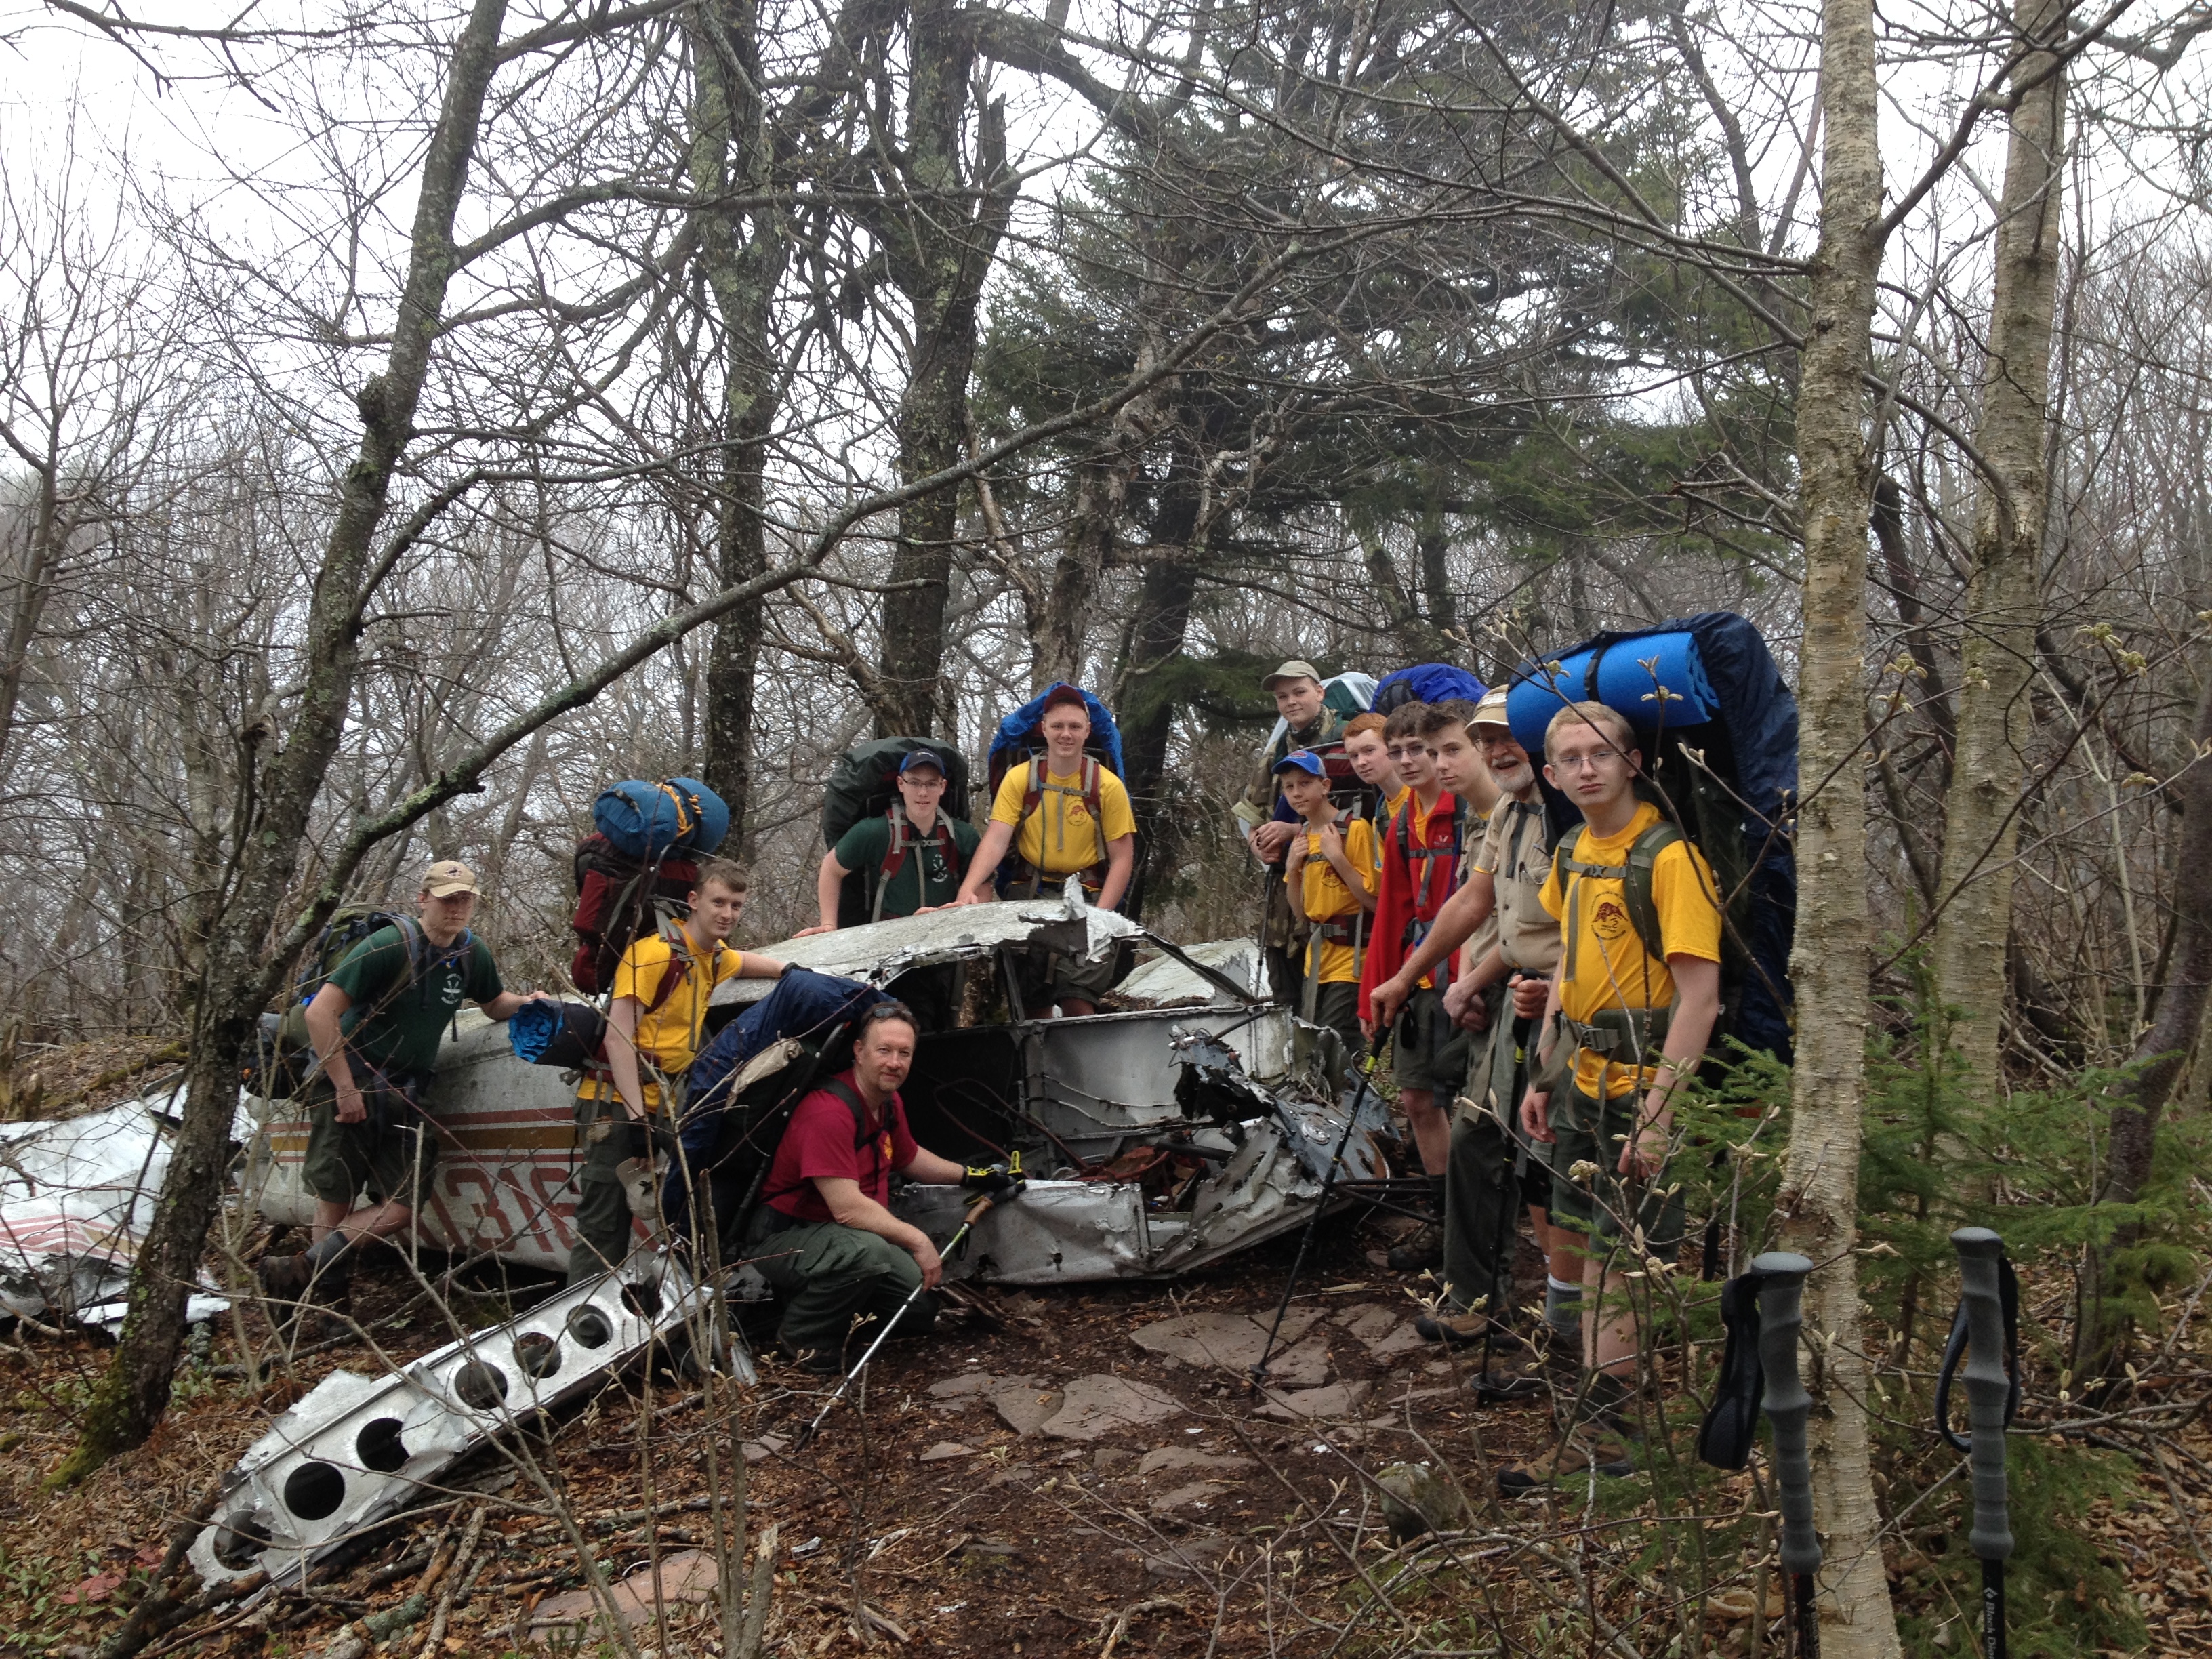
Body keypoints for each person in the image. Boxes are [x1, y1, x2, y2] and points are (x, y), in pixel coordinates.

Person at [1504, 701, 1721, 1492]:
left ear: (1633, 764)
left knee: (1621, 1262)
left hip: (1642, 1088)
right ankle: (1604, 1421)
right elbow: (1569, 963)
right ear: (1551, 773)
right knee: (1591, 1255)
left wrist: (1659, 1119)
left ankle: (1612, 1435)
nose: (1586, 768)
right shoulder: (1570, 850)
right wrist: (1542, 1071)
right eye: (1569, 757)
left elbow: (1700, 997)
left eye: (1601, 753)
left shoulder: (1669, 859)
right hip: (1582, 1086)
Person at [1370, 691, 1579, 1371]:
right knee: (1476, 1139)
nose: (1495, 751)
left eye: (1501, 738)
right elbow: (1475, 901)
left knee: (1551, 1170)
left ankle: (1568, 1328)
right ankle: (1475, 1298)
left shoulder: (1564, 813)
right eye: (1481, 740)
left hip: (1563, 1009)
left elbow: (1576, 928)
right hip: (1507, 997)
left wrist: (1524, 986)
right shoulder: (1509, 816)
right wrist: (1416, 976)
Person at [257, 861, 543, 1311]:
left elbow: (493, 1003)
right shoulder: (389, 946)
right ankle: (329, 1308)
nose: (457, 907)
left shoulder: (470, 953)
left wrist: (527, 1003)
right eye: (448, 898)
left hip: (409, 1092)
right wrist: (346, 1088)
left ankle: (301, 1270)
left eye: (465, 898)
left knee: (403, 1206)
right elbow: (320, 1014)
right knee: (337, 1195)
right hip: (351, 1081)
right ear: (423, 899)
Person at [745, 1002, 1016, 1372]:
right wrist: (917, 1241)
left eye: (904, 1053)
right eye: (884, 1051)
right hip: (786, 1237)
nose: (894, 1063)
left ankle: (834, 1304)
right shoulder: (828, 1112)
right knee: (868, 1254)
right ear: (859, 1052)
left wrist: (975, 1176)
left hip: (844, 1236)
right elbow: (848, 1208)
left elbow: (909, 1159)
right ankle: (803, 1337)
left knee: (918, 1308)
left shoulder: (887, 1102)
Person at [568, 859, 788, 1283]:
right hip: (615, 1108)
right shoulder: (652, 953)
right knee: (604, 1223)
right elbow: (618, 1037)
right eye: (718, 902)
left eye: (736, 906)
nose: (726, 913)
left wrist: (789, 970)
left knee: (694, 1198)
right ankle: (585, 1333)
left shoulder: (710, 957)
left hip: (669, 1104)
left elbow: (741, 961)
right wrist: (636, 1122)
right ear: (693, 901)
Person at [1356, 701, 1477, 1271]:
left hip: (1470, 977)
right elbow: (1393, 914)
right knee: (1416, 1099)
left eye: (1418, 750)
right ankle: (1445, 1219)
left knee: (1472, 1105)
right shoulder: (1403, 823)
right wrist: (1377, 990)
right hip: (1419, 978)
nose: (1408, 761)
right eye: (1398, 750)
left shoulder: (1469, 813)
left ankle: (1480, 1231)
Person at [952, 684, 1136, 1017]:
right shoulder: (1020, 779)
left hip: (1089, 897)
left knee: (1078, 999)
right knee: (1030, 999)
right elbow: (997, 838)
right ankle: (1035, 1068)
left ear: (1087, 731)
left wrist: (1103, 918)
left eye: (1075, 727)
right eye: (1058, 726)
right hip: (1030, 894)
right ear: (1044, 728)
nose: (1066, 735)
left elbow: (1123, 858)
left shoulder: (1107, 786)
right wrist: (968, 888)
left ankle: (1080, 1068)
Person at [1235, 661, 1351, 1003]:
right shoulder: (1276, 751)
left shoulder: (1345, 742)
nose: (1291, 702)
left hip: (1334, 892)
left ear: (1320, 692)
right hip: (1284, 896)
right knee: (1285, 997)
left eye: (1299, 692)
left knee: (1330, 1002)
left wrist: (1293, 829)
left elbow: (1363, 817)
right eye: (1282, 696)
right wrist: (1259, 846)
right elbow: (1252, 816)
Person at [800, 750, 981, 933]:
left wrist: (970, 920)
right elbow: (831, 869)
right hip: (889, 941)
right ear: (901, 784)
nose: (923, 792)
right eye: (914, 783)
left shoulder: (962, 835)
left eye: (932, 784)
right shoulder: (873, 832)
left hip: (948, 935)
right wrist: (829, 925)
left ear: (943, 787)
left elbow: (983, 882)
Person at [1277, 750, 1377, 1050]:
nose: (1297, 793)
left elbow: (1375, 901)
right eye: (1289, 786)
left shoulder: (1354, 829)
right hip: (1317, 963)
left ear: (1326, 786)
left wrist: (1339, 859)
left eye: (1305, 783)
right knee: (1312, 1048)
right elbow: (1301, 911)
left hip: (1352, 963)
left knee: (1336, 1048)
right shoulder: (1303, 838)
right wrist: (1292, 869)